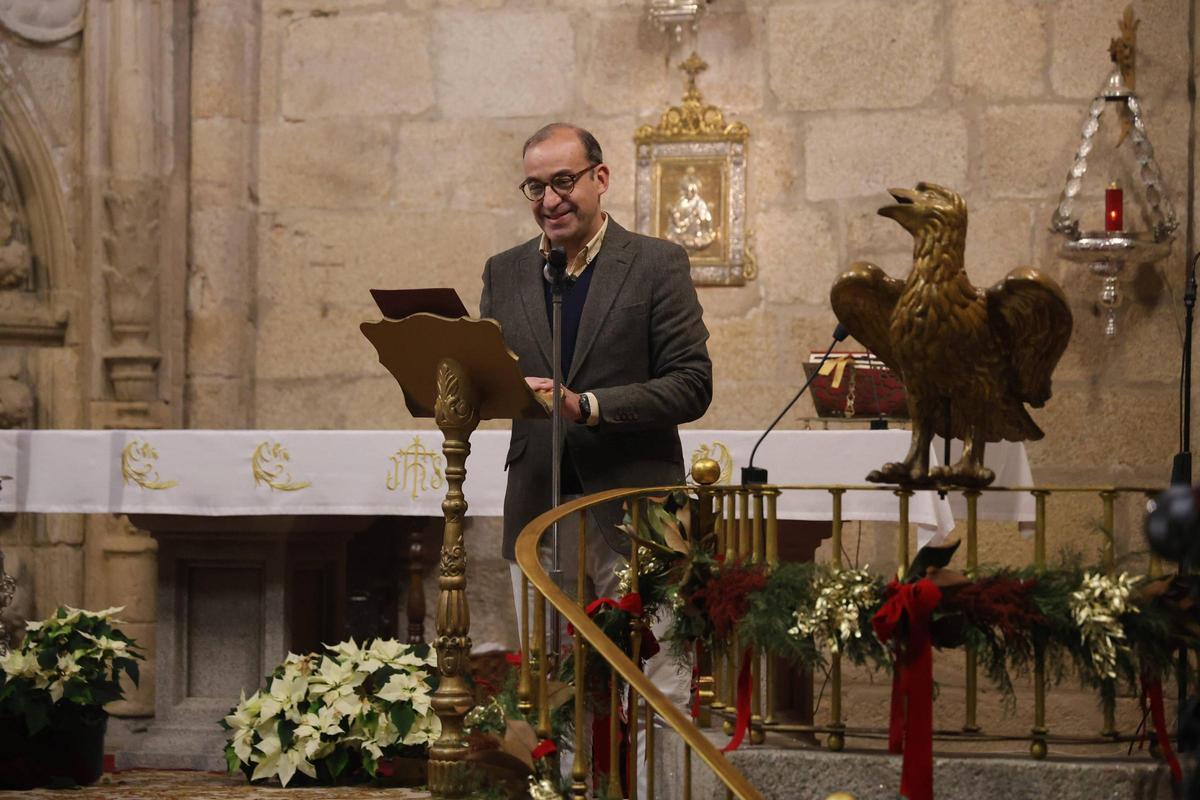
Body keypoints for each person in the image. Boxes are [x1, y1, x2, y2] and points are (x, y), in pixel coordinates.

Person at [478, 122, 712, 790]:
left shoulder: (656, 264)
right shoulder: (506, 272)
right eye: (536, 186)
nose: (550, 200)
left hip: (634, 507)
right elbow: (500, 376)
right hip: (539, 509)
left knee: (658, 678)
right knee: (554, 687)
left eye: (563, 182)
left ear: (599, 179)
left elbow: (692, 383)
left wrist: (591, 406)